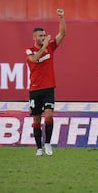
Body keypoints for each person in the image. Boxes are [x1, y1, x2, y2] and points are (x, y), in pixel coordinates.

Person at [25, 8, 66, 156]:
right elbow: (34, 59)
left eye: (44, 35)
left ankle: (48, 143)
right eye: (41, 35)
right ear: (35, 37)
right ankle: (38, 148)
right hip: (35, 90)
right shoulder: (29, 51)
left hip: (49, 88)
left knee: (48, 116)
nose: (44, 37)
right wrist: (43, 46)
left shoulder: (50, 47)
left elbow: (62, 34)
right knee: (36, 118)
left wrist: (61, 18)